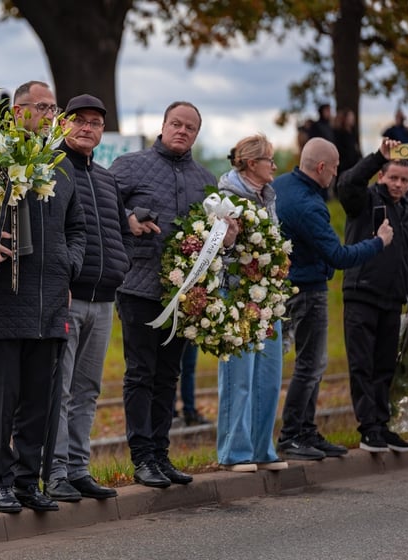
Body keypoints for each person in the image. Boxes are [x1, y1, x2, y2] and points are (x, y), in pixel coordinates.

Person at [0, 80, 85, 514]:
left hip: (50, 300)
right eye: (44, 107)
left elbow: (78, 228)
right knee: (1, 399)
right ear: (18, 112)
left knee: (40, 400)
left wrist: (68, 263)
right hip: (2, 301)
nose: (52, 115)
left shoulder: (61, 166)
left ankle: (27, 481)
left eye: (55, 108)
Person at [110, 101, 236, 489]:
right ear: (163, 126)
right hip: (137, 287)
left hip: (184, 297)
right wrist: (128, 219)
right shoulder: (129, 166)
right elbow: (102, 211)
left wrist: (229, 239)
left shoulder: (206, 179)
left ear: (197, 134)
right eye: (176, 124)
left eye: (190, 128)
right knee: (140, 374)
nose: (182, 131)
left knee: (169, 376)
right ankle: (142, 457)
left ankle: (161, 454)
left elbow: (215, 238)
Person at [275, 137, 393, 461]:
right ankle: (293, 435)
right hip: (308, 289)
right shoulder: (309, 206)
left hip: (287, 284)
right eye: (336, 166)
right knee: (311, 365)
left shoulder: (282, 184)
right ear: (322, 167)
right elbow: (339, 256)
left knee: (311, 365)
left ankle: (306, 430)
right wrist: (378, 242)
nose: (337, 173)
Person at [44, 94, 130, 502]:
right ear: (63, 124)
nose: (87, 128)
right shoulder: (52, 170)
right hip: (68, 297)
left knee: (88, 389)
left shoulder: (106, 178)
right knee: (58, 388)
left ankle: (78, 468)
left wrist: (123, 263)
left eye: (95, 123)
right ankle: (56, 470)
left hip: (104, 298)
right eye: (79, 120)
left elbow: (119, 232)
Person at [335, 139, 408, 454]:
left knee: (386, 365)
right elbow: (347, 183)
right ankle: (368, 428)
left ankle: (382, 426)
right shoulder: (364, 200)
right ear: (381, 177)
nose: (397, 184)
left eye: (403, 180)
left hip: (393, 300)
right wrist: (376, 157)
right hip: (362, 295)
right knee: (362, 365)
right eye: (392, 177)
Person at [215, 134, 288, 473]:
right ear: (250, 163)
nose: (273, 165)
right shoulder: (227, 196)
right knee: (239, 376)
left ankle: (262, 449)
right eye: (268, 159)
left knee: (269, 377)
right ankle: (235, 452)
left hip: (268, 297)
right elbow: (219, 251)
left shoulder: (266, 195)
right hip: (238, 295)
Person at [176, 342, 209, 426]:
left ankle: (189, 411)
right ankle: (171, 411)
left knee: (189, 367)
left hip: (191, 333)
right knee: (171, 369)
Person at [333, 108, 362, 177]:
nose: (352, 119)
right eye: (350, 117)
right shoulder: (339, 133)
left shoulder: (353, 132)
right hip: (344, 165)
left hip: (354, 163)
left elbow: (356, 147)